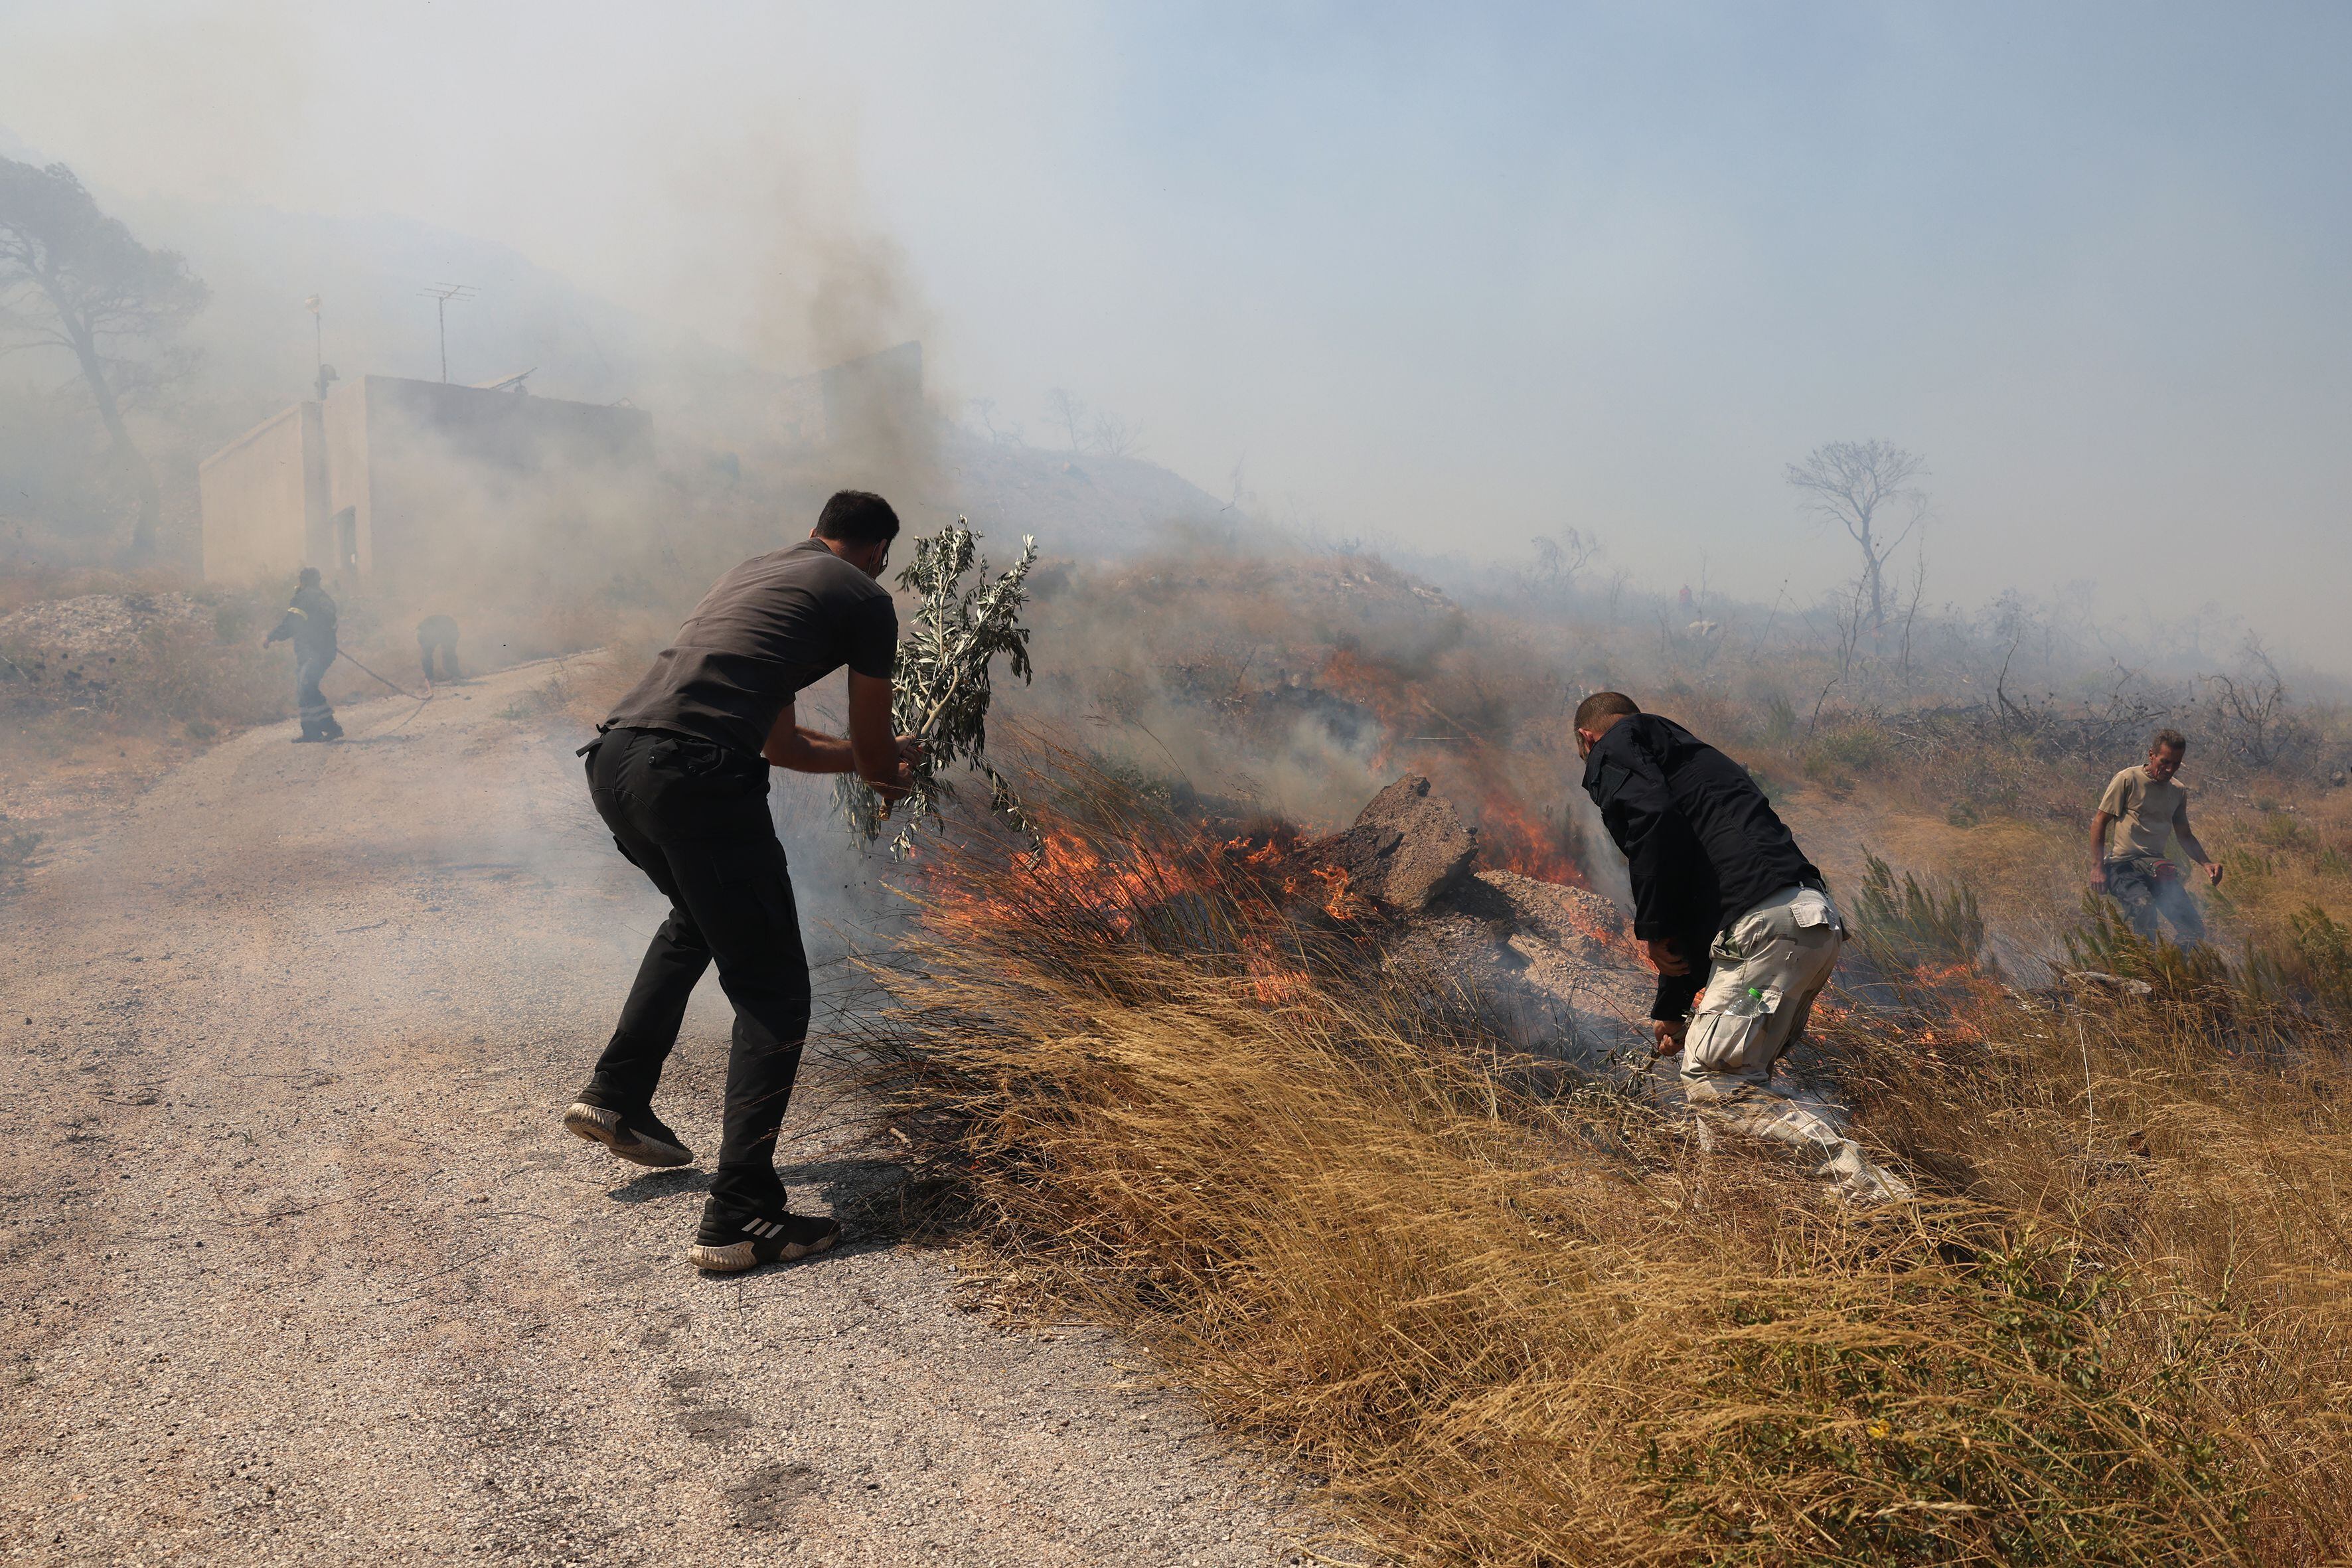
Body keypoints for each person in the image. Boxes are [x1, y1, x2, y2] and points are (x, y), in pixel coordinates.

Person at [566, 490, 919, 1273]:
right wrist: (898, 769)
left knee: (696, 921)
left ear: (817, 531)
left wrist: (875, 762)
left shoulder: (760, 575)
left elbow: (785, 743)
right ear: (877, 551)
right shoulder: (866, 598)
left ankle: (617, 1093)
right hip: (694, 772)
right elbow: (870, 747)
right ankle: (742, 1214)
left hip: (619, 758)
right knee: (775, 990)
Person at [1575, 690, 1911, 1203]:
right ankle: (1733, 1214)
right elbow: (1691, 896)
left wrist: (1651, 927)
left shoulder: (1619, 742)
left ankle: (1874, 1192)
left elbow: (1652, 823)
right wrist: (1671, 1012)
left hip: (1767, 932)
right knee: (1736, 1082)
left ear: (1587, 738)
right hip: (1806, 925)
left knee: (1711, 1077)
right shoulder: (1692, 762)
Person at [2091, 728, 2221, 947]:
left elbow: (2185, 834)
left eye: (2176, 764)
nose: (2170, 769)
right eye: (2165, 762)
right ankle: (2143, 973)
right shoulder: (2128, 779)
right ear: (2152, 755)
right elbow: (2099, 822)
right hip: (2123, 867)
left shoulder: (2178, 791)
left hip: (2156, 869)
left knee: (2192, 928)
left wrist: (2206, 863)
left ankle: (2170, 975)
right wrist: (2097, 867)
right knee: (2144, 907)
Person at [264, 567, 343, 743]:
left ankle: (330, 726)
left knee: (306, 687)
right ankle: (310, 732)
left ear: (303, 581)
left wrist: (271, 637)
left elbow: (292, 624)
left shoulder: (303, 598)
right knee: (303, 687)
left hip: (311, 652)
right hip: (324, 651)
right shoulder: (325, 599)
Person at [416, 614, 460, 683]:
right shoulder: (423, 632)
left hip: (449, 630)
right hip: (441, 629)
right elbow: (426, 655)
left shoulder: (430, 632)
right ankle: (429, 678)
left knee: (449, 653)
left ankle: (454, 675)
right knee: (426, 656)